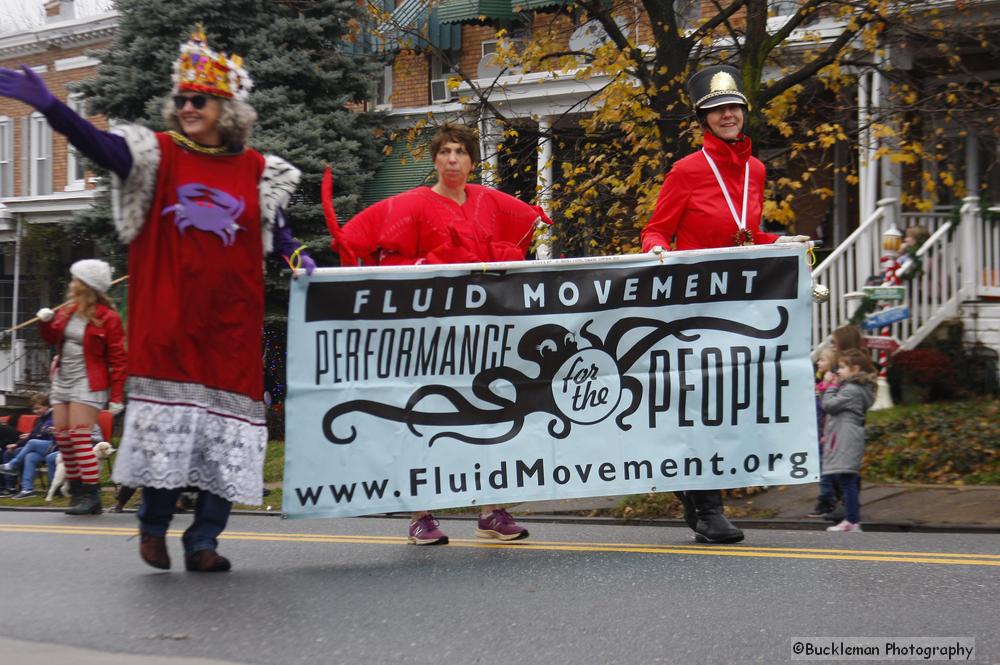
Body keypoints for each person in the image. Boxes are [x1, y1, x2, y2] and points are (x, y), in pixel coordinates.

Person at [0, 26, 312, 571]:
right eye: (182, 98)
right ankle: (153, 526)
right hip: (168, 323)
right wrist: (51, 107)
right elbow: (97, 144)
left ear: (226, 108)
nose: (187, 107)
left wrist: (295, 258)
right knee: (171, 434)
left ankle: (204, 541)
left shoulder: (257, 170)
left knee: (225, 435)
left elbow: (278, 233)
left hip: (231, 327)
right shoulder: (152, 157)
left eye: (200, 99)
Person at [338, 122, 551, 545]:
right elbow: (371, 249)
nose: (452, 159)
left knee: (494, 415)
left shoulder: (489, 202)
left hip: (484, 332)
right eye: (445, 152)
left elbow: (527, 230)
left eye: (460, 152)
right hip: (429, 334)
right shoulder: (411, 204)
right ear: (435, 159)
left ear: (473, 161)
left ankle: (491, 510)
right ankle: (422, 515)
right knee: (424, 415)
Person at [640, 64, 810, 544]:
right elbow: (657, 228)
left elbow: (746, 234)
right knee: (698, 405)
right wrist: (656, 250)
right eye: (717, 110)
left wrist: (779, 242)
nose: (728, 115)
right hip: (692, 305)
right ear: (704, 119)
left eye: (733, 107)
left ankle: (696, 499)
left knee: (726, 406)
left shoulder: (755, 169)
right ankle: (707, 507)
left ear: (744, 112)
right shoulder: (687, 169)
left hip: (740, 304)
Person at [31, 261, 126, 514]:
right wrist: (45, 322)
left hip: (89, 382)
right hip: (63, 379)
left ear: (87, 286)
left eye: (76, 280)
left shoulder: (109, 318)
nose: (71, 284)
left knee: (78, 436)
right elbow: (52, 339)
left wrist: (116, 396)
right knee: (63, 438)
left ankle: (91, 495)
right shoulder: (67, 311)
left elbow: (118, 359)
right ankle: (77, 492)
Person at [820, 348, 877, 533]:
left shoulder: (851, 389)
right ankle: (850, 520)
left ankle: (852, 521)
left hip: (846, 437)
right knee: (847, 479)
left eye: (843, 367)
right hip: (847, 436)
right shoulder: (859, 388)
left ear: (855, 369)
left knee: (847, 480)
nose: (839, 371)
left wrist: (830, 386)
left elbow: (828, 405)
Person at [0, 393, 55, 499]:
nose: (36, 412)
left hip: (54, 445)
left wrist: (35, 434)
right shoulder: (39, 418)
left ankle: (12, 465)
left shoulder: (54, 414)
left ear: (47, 406)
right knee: (30, 456)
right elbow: (34, 434)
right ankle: (27, 489)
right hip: (42, 448)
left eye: (38, 408)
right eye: (34, 409)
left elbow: (43, 432)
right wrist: (16, 445)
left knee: (32, 442)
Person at [807, 349, 839, 517]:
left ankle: (827, 500)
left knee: (825, 467)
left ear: (832, 363)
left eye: (823, 360)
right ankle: (829, 498)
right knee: (822, 466)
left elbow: (827, 407)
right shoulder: (820, 382)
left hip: (827, 431)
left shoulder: (832, 382)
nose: (818, 363)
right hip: (818, 429)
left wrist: (824, 388)